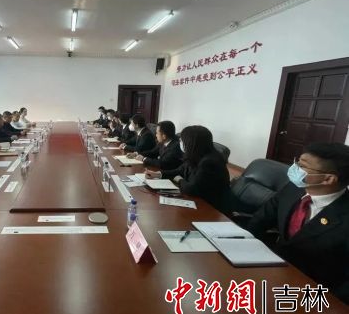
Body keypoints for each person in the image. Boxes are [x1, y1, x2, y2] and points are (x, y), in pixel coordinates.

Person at [247, 142, 349, 304]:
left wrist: (330, 306)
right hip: (272, 272)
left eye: (302, 166)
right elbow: (260, 220)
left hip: (313, 293)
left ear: (328, 178)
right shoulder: (293, 189)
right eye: (297, 162)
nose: (294, 168)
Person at [145, 125, 231, 214]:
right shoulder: (196, 155)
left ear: (192, 143)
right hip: (197, 200)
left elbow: (191, 189)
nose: (179, 141)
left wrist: (179, 179)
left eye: (182, 140)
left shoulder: (209, 162)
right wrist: (158, 174)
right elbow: (179, 170)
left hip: (211, 208)